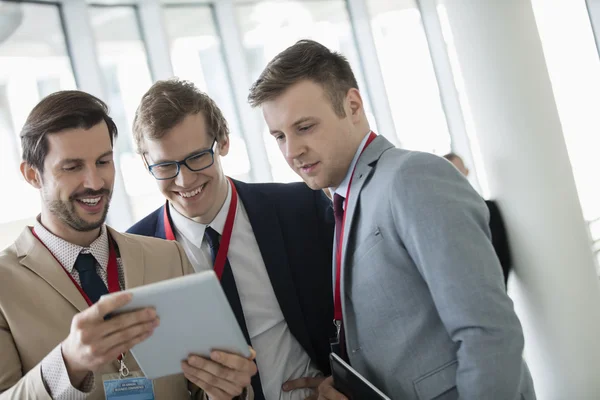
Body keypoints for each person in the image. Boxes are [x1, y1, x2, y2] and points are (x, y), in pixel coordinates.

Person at [248, 40, 536, 400]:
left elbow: (489, 332)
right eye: (279, 136)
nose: (292, 150)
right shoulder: (345, 199)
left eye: (304, 127)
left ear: (352, 106)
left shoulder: (412, 177)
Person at [0, 91, 256, 400]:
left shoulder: (168, 257)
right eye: (72, 167)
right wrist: (69, 363)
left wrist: (227, 390)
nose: (94, 182)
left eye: (103, 161)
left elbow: (202, 389)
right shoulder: (5, 284)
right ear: (32, 175)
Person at [127, 79, 335, 400]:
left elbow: (354, 313)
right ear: (145, 163)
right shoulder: (131, 254)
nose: (185, 180)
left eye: (197, 157)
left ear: (223, 141)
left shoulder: (300, 207)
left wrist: (340, 379)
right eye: (166, 166)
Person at [444, 152, 513, 286]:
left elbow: (501, 254)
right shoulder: (442, 217)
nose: (456, 177)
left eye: (459, 171)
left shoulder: (488, 209)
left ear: (467, 171)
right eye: (451, 173)